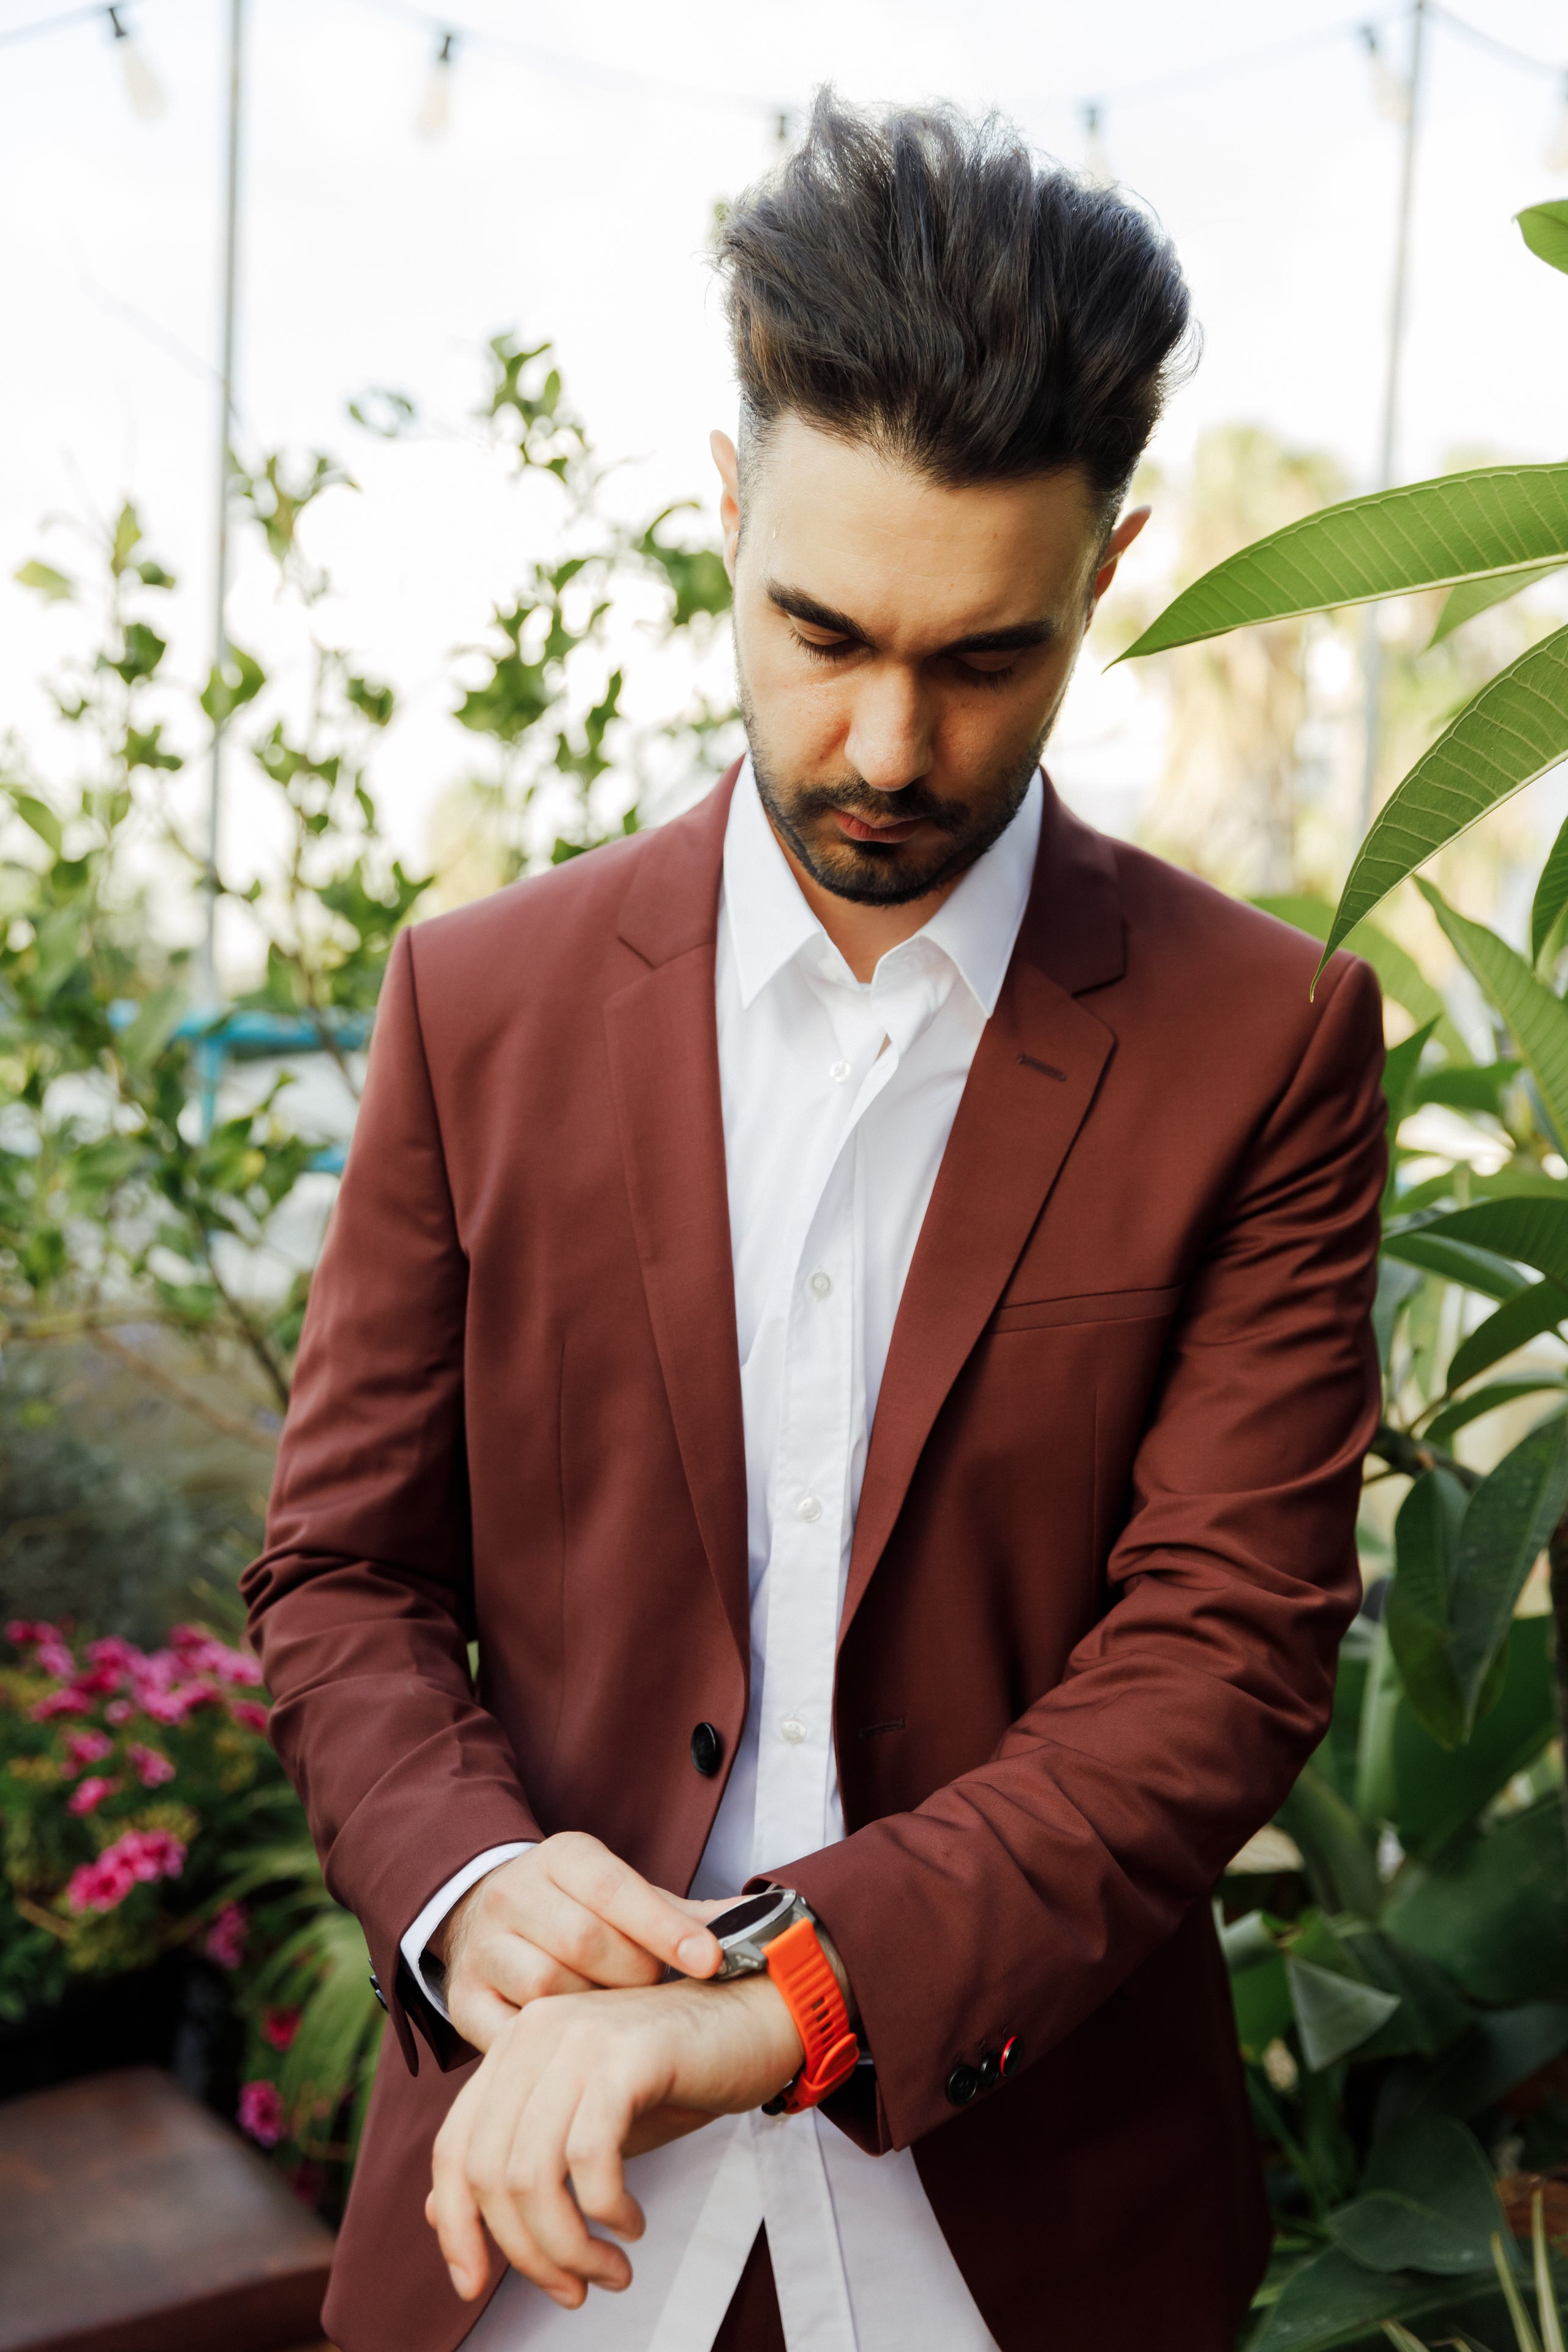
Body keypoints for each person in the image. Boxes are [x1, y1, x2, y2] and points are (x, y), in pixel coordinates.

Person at [243, 91, 1384, 2352]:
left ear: (1107, 575)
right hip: (525, 2238)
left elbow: (1221, 1655)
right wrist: (467, 1887)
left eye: (985, 660)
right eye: (823, 630)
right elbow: (342, 1571)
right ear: (726, 508)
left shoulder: (1263, 1043)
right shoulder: (477, 1004)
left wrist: (778, 2003)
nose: (884, 746)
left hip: (1025, 2232)